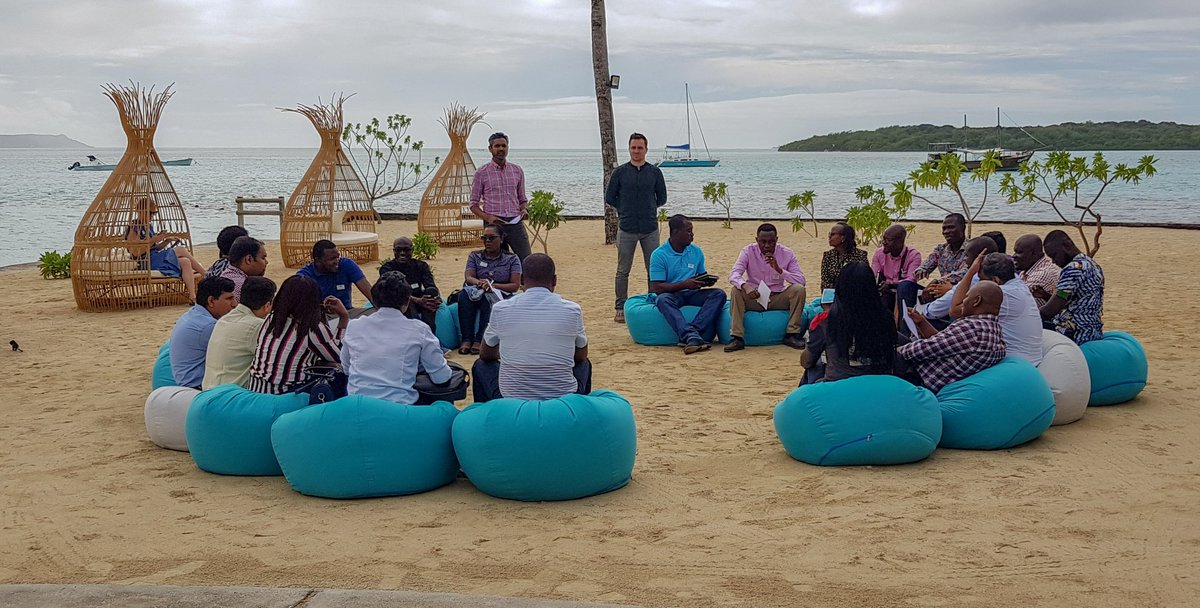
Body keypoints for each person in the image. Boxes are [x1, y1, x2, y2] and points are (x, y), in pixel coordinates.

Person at [472, 253, 592, 401]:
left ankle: (488, 415)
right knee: (585, 364)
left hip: (511, 397)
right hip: (561, 397)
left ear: (521, 281)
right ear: (554, 281)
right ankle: (579, 413)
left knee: (481, 365)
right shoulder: (572, 310)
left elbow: (485, 355)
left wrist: (510, 355)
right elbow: (581, 356)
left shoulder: (501, 308)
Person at [340, 272, 452, 405]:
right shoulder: (419, 330)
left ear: (374, 301)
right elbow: (441, 377)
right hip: (399, 409)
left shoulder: (354, 326)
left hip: (356, 406)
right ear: (407, 302)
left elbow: (346, 368)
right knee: (445, 405)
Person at [247, 275, 347, 395]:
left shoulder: (272, 319)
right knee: (338, 374)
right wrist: (344, 317)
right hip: (284, 393)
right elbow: (340, 358)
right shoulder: (312, 328)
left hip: (256, 389)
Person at [899, 281, 1007, 392]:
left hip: (918, 377)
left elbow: (923, 349)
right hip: (930, 377)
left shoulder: (973, 330)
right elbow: (941, 342)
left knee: (886, 339)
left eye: (966, 296)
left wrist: (896, 350)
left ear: (976, 301)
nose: (963, 301)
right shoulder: (994, 331)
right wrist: (921, 322)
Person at [606, 132, 667, 323]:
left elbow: (662, 198)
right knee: (623, 270)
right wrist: (625, 209)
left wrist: (647, 208)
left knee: (653, 269)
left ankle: (654, 301)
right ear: (629, 149)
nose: (636, 151)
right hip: (626, 228)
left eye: (640, 148)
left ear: (646, 149)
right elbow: (610, 197)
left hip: (650, 228)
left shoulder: (655, 172)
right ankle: (620, 307)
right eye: (633, 147)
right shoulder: (620, 173)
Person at [801, 263, 896, 384]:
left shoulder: (827, 320)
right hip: (882, 384)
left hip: (839, 385)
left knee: (815, 367)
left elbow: (807, 361)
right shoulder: (886, 317)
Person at [945, 253, 1042, 365]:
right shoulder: (1017, 284)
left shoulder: (1003, 294)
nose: (979, 283)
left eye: (981, 280)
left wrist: (970, 272)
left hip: (1014, 362)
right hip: (1027, 358)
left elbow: (955, 310)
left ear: (995, 280)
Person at [649, 215, 727, 354]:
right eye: (688, 231)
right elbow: (657, 287)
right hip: (672, 294)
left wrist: (704, 281)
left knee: (719, 294)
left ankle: (693, 333)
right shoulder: (659, 255)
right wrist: (684, 284)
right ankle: (691, 335)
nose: (692, 235)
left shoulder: (696, 251)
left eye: (692, 231)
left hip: (692, 293)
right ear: (675, 232)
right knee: (662, 300)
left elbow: (700, 273)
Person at [725, 223, 807, 352]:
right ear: (757, 240)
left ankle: (792, 334)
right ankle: (737, 337)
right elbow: (734, 274)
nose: (767, 246)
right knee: (736, 290)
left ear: (777, 240)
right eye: (763, 242)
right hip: (755, 297)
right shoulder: (748, 251)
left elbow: (801, 281)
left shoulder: (787, 253)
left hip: (777, 297)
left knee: (799, 290)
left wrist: (779, 270)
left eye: (771, 242)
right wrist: (745, 286)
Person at [457, 224, 523, 355]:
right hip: (477, 290)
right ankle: (466, 339)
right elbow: (469, 277)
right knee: (463, 295)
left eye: (492, 238)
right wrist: (480, 283)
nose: (487, 241)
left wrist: (493, 286)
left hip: (500, 292)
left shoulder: (512, 259)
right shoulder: (475, 256)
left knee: (489, 298)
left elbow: (515, 285)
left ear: (501, 239)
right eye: (484, 238)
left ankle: (480, 339)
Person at [126, 197, 206, 304]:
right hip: (145, 261)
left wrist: (166, 241)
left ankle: (192, 296)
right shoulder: (134, 227)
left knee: (185, 262)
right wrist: (154, 239)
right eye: (150, 213)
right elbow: (136, 252)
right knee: (181, 250)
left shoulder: (148, 226)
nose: (152, 216)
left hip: (154, 257)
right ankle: (206, 274)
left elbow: (154, 248)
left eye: (153, 214)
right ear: (141, 211)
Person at [202, 276, 277, 390]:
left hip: (208, 391)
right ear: (267, 306)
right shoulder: (257, 326)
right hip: (230, 397)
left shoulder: (224, 319)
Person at [470, 132, 532, 263]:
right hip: (494, 225)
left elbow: (522, 199)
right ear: (490, 149)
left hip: (515, 223)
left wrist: (524, 210)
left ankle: (525, 283)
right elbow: (473, 205)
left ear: (508, 147)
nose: (501, 149)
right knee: (498, 262)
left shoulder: (517, 170)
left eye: (504, 145)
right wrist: (488, 218)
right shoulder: (481, 173)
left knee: (526, 259)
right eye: (497, 146)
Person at [168, 277, 237, 390]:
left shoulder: (192, 314)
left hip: (184, 381)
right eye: (229, 299)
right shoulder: (208, 326)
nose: (234, 304)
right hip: (197, 387)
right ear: (211, 301)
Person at [1039, 230, 1104, 345]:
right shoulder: (1092, 264)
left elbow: (1049, 311)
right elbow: (1067, 299)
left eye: (1054, 255)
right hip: (1092, 330)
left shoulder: (1073, 269)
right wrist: (1046, 296)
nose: (1054, 261)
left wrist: (1025, 317)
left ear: (1066, 246)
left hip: (1075, 333)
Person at [923, 236, 998, 324]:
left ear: (979, 258)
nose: (965, 261)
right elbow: (923, 268)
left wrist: (921, 310)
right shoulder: (1008, 276)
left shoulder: (974, 278)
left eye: (967, 256)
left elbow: (934, 311)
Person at [379, 236, 441, 331]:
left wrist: (436, 298)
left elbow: (431, 285)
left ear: (412, 250)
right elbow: (392, 292)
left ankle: (430, 330)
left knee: (431, 291)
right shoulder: (387, 268)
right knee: (406, 300)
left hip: (421, 300)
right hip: (399, 303)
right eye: (398, 250)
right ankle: (415, 329)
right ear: (394, 251)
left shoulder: (421, 266)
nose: (402, 253)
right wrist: (417, 300)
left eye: (406, 250)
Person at [297, 240, 372, 310]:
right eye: (332, 259)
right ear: (317, 261)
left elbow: (370, 294)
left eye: (337, 257)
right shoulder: (304, 277)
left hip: (347, 312)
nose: (336, 262)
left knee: (371, 313)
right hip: (320, 318)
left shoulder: (347, 264)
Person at [871, 224, 922, 316]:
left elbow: (911, 280)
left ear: (900, 241)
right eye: (884, 239)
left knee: (905, 287)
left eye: (888, 240)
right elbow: (874, 275)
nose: (884, 243)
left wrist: (891, 284)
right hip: (884, 292)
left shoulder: (913, 256)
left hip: (904, 294)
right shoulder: (879, 253)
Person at [914, 213, 969, 298]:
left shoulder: (971, 249)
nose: (946, 232)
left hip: (959, 292)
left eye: (951, 227)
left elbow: (965, 272)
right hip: (940, 290)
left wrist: (937, 281)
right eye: (944, 228)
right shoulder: (941, 249)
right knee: (905, 286)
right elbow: (925, 265)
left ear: (963, 228)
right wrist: (921, 271)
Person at [799, 288, 836, 385]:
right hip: (869, 374)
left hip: (838, 375)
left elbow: (807, 361)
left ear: (822, 305)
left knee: (816, 365)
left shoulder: (823, 322)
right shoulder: (871, 318)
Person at [1013, 234, 1061, 307]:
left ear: (1033, 253)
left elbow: (1014, 300)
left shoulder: (1043, 274)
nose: (1014, 256)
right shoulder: (1029, 268)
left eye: (1019, 252)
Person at [218, 236, 268, 303]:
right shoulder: (244, 287)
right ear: (249, 259)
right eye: (263, 258)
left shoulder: (226, 275)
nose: (267, 262)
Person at [820, 222, 868, 290]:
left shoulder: (860, 255)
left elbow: (864, 280)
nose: (829, 236)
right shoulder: (828, 256)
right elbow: (824, 282)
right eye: (830, 234)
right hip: (833, 294)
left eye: (833, 234)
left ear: (843, 237)